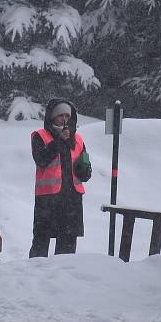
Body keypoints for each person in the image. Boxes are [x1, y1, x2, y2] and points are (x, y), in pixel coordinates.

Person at [29, 98, 92, 258]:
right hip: (48, 199)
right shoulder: (40, 136)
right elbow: (41, 160)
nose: (64, 119)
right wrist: (59, 141)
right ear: (52, 117)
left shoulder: (77, 139)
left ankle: (63, 278)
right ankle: (33, 277)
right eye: (60, 115)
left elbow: (85, 169)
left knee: (68, 244)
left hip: (71, 199)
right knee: (41, 242)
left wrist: (84, 170)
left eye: (67, 115)